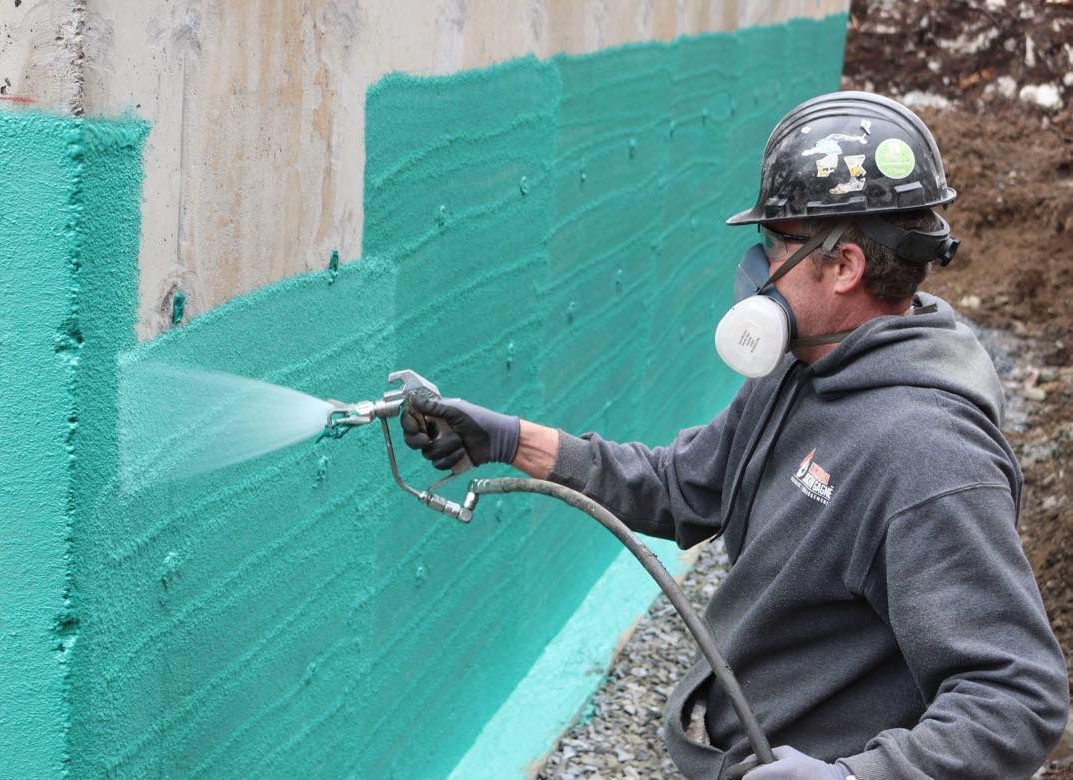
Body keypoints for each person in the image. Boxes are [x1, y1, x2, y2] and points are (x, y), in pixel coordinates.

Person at [401, 92, 1070, 779]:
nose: (757, 267)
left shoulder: (927, 456)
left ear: (845, 266)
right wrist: (511, 440)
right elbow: (680, 487)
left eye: (776, 243)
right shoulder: (805, 364)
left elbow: (1016, 697)